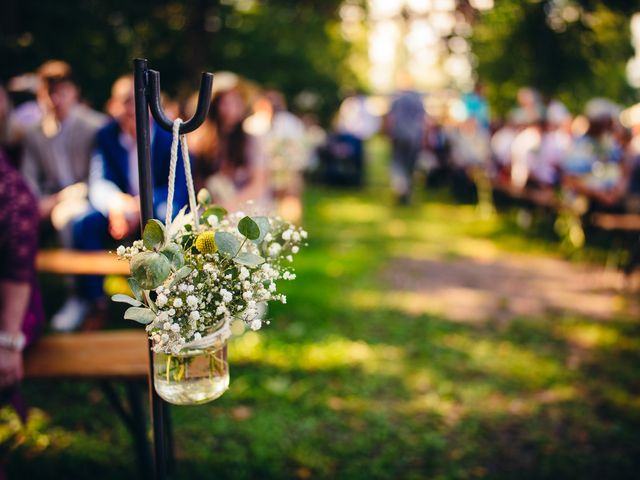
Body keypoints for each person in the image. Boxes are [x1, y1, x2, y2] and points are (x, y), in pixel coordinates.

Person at [67, 75, 189, 328]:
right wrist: (117, 204)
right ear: (113, 105)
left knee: (168, 214)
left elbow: (175, 187)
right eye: (125, 101)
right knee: (83, 222)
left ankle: (165, 297)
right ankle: (92, 301)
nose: (132, 109)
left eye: (138, 102)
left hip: (155, 204)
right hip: (118, 210)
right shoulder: (106, 135)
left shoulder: (169, 135)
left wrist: (137, 207)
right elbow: (98, 179)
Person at [19, 61, 106, 331]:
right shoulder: (33, 134)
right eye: (49, 92)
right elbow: (28, 179)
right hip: (50, 201)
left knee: (70, 218)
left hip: (88, 199)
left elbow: (98, 175)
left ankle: (78, 296)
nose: (55, 99)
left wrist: (63, 199)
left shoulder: (94, 126)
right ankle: (24, 302)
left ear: (74, 92)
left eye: (62, 91)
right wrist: (43, 202)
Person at [192, 87, 270, 213]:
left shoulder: (250, 141)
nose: (230, 108)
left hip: (244, 205)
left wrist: (230, 205)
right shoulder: (203, 141)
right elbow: (198, 180)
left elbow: (258, 184)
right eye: (225, 103)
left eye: (235, 102)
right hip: (212, 205)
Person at [386, 74, 426, 205]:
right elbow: (423, 119)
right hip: (414, 137)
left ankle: (401, 191)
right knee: (409, 166)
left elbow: (391, 118)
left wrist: (388, 134)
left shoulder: (397, 98)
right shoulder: (418, 99)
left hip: (400, 135)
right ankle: (407, 193)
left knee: (398, 164)